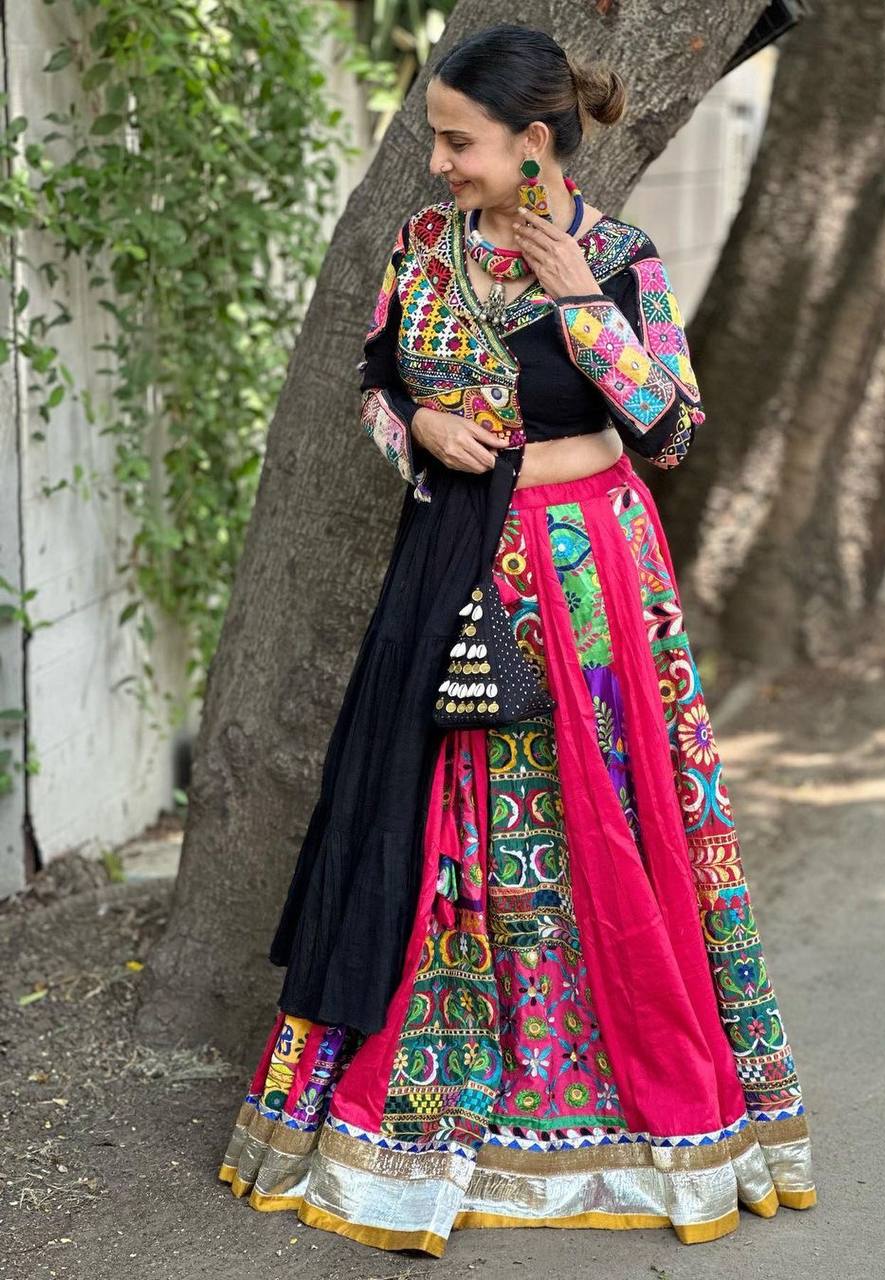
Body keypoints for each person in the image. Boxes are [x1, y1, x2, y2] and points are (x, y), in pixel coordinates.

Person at [217, 22, 815, 1257]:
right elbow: (377, 379)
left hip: (588, 578)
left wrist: (581, 305)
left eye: (458, 142)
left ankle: (613, 1106)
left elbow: (669, 429)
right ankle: (433, 1105)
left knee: (602, 813)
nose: (438, 163)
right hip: (448, 566)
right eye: (437, 140)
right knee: (438, 816)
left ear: (533, 142)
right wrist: (422, 431)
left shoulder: (622, 259)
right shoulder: (420, 247)